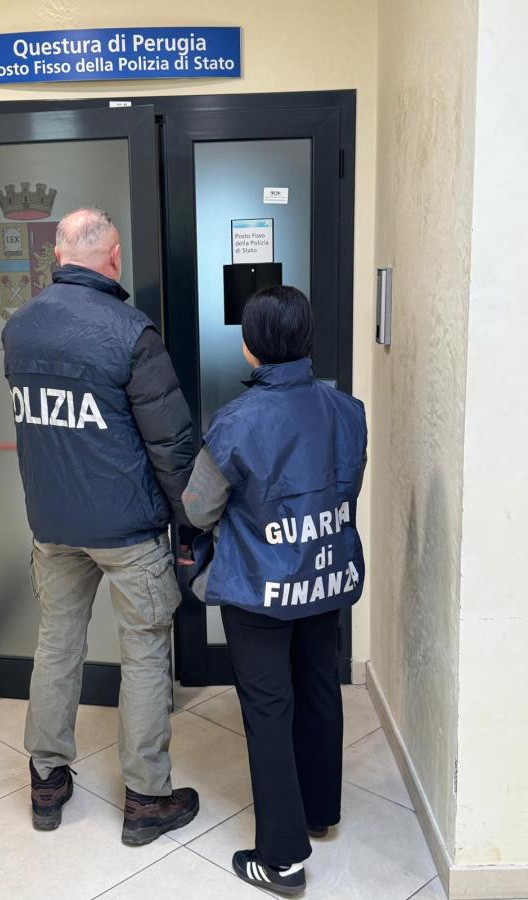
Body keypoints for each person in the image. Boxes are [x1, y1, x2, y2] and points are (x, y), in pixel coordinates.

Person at [2, 207, 199, 843]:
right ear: (113, 259)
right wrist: (194, 521)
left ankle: (46, 782)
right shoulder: (131, 332)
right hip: (126, 528)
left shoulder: (19, 328)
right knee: (143, 650)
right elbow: (172, 445)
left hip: (53, 524)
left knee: (57, 642)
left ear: (58, 257)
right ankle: (146, 799)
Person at [182, 285, 367, 895]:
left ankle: (282, 859)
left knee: (268, 710)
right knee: (319, 688)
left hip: (259, 588)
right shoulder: (347, 410)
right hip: (325, 575)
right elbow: (342, 488)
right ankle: (318, 811)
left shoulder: (237, 421)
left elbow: (199, 507)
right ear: (308, 339)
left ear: (250, 347)